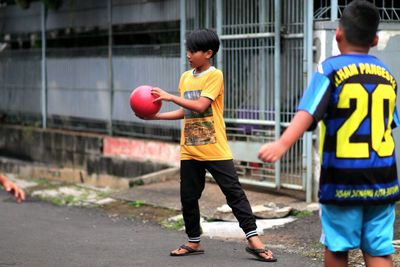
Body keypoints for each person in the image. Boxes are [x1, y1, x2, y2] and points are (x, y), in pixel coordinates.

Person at [258, 1, 399, 266]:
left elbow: (308, 112)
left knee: (337, 247)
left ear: (338, 33)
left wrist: (283, 143)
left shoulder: (330, 69)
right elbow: (388, 123)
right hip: (384, 178)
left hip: (342, 179)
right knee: (379, 249)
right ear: (376, 39)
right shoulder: (387, 74)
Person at [136, 28, 276, 262]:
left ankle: (254, 240)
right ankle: (193, 241)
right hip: (189, 149)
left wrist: (169, 97)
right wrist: (156, 117)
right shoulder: (185, 77)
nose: (189, 54)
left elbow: (200, 106)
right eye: (188, 50)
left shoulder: (215, 75)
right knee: (188, 197)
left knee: (234, 194)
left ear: (208, 53)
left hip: (215, 148)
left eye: (194, 51)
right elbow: (186, 110)